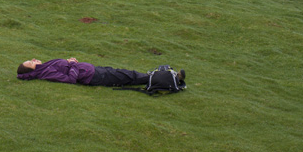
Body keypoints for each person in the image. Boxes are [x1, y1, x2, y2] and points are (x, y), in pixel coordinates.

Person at [17, 57, 184, 87]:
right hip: (95, 76)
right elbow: (70, 79)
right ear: (32, 69)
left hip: (96, 71)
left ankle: (164, 77)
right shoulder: (46, 72)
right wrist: (73, 64)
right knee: (129, 77)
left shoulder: (45, 67)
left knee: (128, 75)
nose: (33, 60)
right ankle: (170, 79)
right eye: (30, 63)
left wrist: (69, 63)